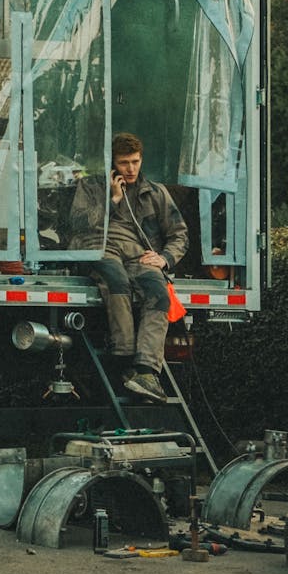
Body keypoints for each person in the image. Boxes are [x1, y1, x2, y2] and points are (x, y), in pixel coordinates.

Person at [69, 132, 188, 402]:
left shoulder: (155, 192)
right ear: (112, 164)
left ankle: (146, 371)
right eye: (124, 163)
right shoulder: (90, 186)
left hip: (137, 253)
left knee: (159, 291)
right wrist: (112, 200)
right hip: (98, 245)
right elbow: (77, 223)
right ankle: (123, 358)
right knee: (117, 281)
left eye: (135, 162)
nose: (131, 169)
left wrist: (165, 258)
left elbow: (180, 233)